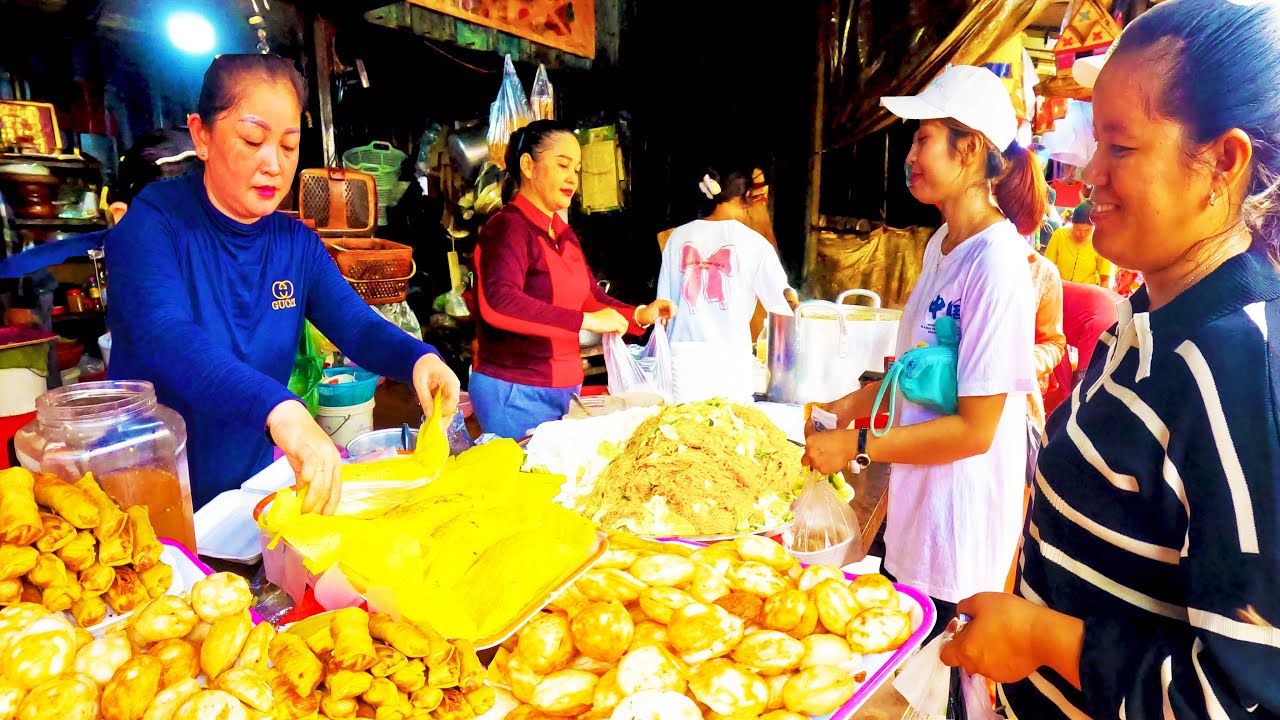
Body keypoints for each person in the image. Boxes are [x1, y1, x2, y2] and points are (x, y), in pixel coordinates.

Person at [940, 2, 1280, 717]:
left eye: (1120, 148)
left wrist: (1039, 637)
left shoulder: (1237, 367)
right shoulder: (1146, 319)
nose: (1090, 171)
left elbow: (1242, 695)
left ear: (1222, 162)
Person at [105, 55, 460, 513]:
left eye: (289, 146)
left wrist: (419, 358)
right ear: (201, 136)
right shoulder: (154, 224)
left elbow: (356, 325)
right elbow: (165, 336)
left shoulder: (295, 244)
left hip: (245, 493)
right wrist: (281, 408)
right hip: (151, 498)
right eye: (253, 140)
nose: (273, 164)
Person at [803, 65, 1044, 635]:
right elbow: (911, 373)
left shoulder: (997, 263)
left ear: (970, 150)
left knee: (933, 681)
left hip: (959, 526)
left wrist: (858, 445)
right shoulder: (941, 243)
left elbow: (974, 431)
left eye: (923, 138)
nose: (910, 154)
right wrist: (845, 406)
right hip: (918, 511)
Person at [474, 121, 674, 438]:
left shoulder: (562, 233)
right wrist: (588, 321)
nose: (572, 178)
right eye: (563, 165)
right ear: (528, 166)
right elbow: (499, 305)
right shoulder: (507, 228)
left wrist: (638, 314)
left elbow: (589, 296)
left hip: (563, 390)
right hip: (516, 391)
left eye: (577, 169)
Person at [657, 163, 798, 354]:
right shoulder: (756, 243)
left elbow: (662, 306)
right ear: (748, 196)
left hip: (680, 358)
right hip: (731, 359)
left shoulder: (678, 237)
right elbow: (782, 305)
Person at [1028, 248, 1066, 435]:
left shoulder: (1041, 272)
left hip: (1018, 401)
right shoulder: (939, 248)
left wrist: (1021, 364)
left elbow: (1054, 343)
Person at [1046, 203, 1114, 287]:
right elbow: (1047, 266)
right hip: (1061, 289)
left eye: (1087, 230)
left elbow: (1105, 278)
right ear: (1072, 223)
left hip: (1087, 292)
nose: (1082, 234)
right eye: (1078, 230)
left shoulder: (1100, 242)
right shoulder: (1059, 235)